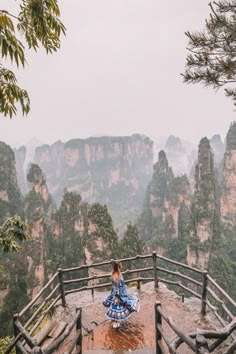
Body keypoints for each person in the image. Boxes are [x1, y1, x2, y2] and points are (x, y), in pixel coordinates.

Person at [102, 261, 140, 328]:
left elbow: (113, 286)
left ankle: (115, 321)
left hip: (120, 293)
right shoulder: (117, 276)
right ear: (119, 267)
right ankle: (115, 322)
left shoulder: (116, 274)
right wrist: (117, 297)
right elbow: (116, 287)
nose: (122, 266)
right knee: (117, 307)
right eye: (121, 265)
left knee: (116, 307)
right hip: (119, 295)